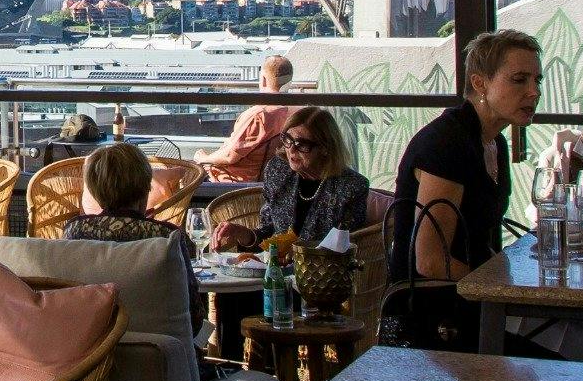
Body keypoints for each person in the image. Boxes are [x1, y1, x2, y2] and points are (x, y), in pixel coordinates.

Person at [382, 31, 540, 349]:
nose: (534, 92)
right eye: (519, 80)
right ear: (480, 83)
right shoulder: (447, 143)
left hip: (468, 307)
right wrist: (505, 286)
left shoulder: (493, 142)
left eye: (538, 80)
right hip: (432, 321)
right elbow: (429, 261)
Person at [63, 141, 203, 331]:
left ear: (95, 190)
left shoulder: (74, 231)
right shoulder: (165, 236)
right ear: (146, 186)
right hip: (157, 353)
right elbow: (194, 318)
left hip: (94, 351)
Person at [211, 107, 370, 249]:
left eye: (302, 144)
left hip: (321, 275)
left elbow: (344, 250)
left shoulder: (351, 186)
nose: (292, 149)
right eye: (288, 139)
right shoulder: (279, 171)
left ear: (325, 148)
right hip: (277, 273)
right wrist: (243, 234)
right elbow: (269, 233)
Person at [198, 54, 295, 182]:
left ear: (264, 79)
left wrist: (204, 158)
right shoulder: (292, 113)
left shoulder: (259, 116)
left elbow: (229, 156)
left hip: (233, 180)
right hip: (263, 179)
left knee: (179, 174)